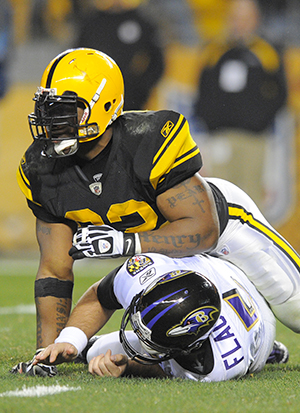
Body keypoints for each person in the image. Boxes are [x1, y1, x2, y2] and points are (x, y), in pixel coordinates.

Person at [15, 47, 300, 373]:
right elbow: (54, 271)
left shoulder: (146, 141)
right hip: (158, 256)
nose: (55, 122)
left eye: (69, 110)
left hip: (225, 229)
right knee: (158, 330)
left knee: (295, 308)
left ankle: (259, 333)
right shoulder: (43, 171)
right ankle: (260, 343)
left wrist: (127, 244)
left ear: (105, 105)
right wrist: (46, 352)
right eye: (49, 110)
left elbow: (203, 229)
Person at [30, 252, 288, 381]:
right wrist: (71, 339)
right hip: (223, 266)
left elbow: (165, 368)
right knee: (95, 349)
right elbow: (101, 295)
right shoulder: (146, 271)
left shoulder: (218, 365)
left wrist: (128, 366)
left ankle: (268, 352)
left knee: (99, 352)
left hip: (258, 327)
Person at [192, 0, 287, 211]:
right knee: (218, 199)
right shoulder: (214, 50)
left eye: (245, 19)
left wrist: (258, 122)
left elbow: (280, 94)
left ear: (256, 20)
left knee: (252, 200)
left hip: (253, 139)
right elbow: (202, 91)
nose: (240, 24)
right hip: (220, 137)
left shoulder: (267, 51)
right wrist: (211, 125)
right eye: (235, 18)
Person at [75, 0, 165, 111]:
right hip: (95, 96)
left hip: (131, 99)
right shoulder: (90, 23)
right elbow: (77, 58)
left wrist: (141, 88)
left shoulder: (142, 22)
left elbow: (157, 61)